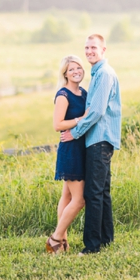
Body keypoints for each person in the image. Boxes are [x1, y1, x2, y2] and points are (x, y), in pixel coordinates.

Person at [60, 34, 122, 254]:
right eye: (86, 48)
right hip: (101, 140)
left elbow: (95, 111)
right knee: (102, 192)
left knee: (93, 194)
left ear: (104, 49)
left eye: (93, 47)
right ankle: (106, 239)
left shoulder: (103, 74)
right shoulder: (97, 74)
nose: (89, 52)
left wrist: (75, 132)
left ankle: (92, 246)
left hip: (99, 140)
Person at [46, 54, 87, 254]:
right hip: (70, 150)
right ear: (65, 73)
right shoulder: (63, 95)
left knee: (67, 195)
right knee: (79, 200)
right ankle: (55, 238)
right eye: (71, 69)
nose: (76, 71)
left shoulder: (84, 93)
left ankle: (62, 241)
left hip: (82, 149)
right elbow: (57, 125)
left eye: (78, 67)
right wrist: (81, 119)